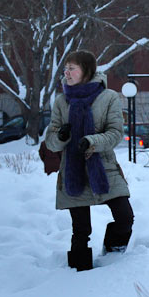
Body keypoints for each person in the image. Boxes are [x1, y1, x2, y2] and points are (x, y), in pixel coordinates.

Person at [45, 50, 134, 271]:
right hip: (73, 171)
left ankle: (113, 259)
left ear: (87, 70)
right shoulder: (61, 101)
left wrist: (91, 141)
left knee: (125, 217)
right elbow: (51, 141)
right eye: (65, 68)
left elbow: (115, 133)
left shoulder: (109, 97)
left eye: (72, 68)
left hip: (104, 168)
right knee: (81, 229)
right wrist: (61, 137)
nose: (66, 73)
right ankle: (79, 273)